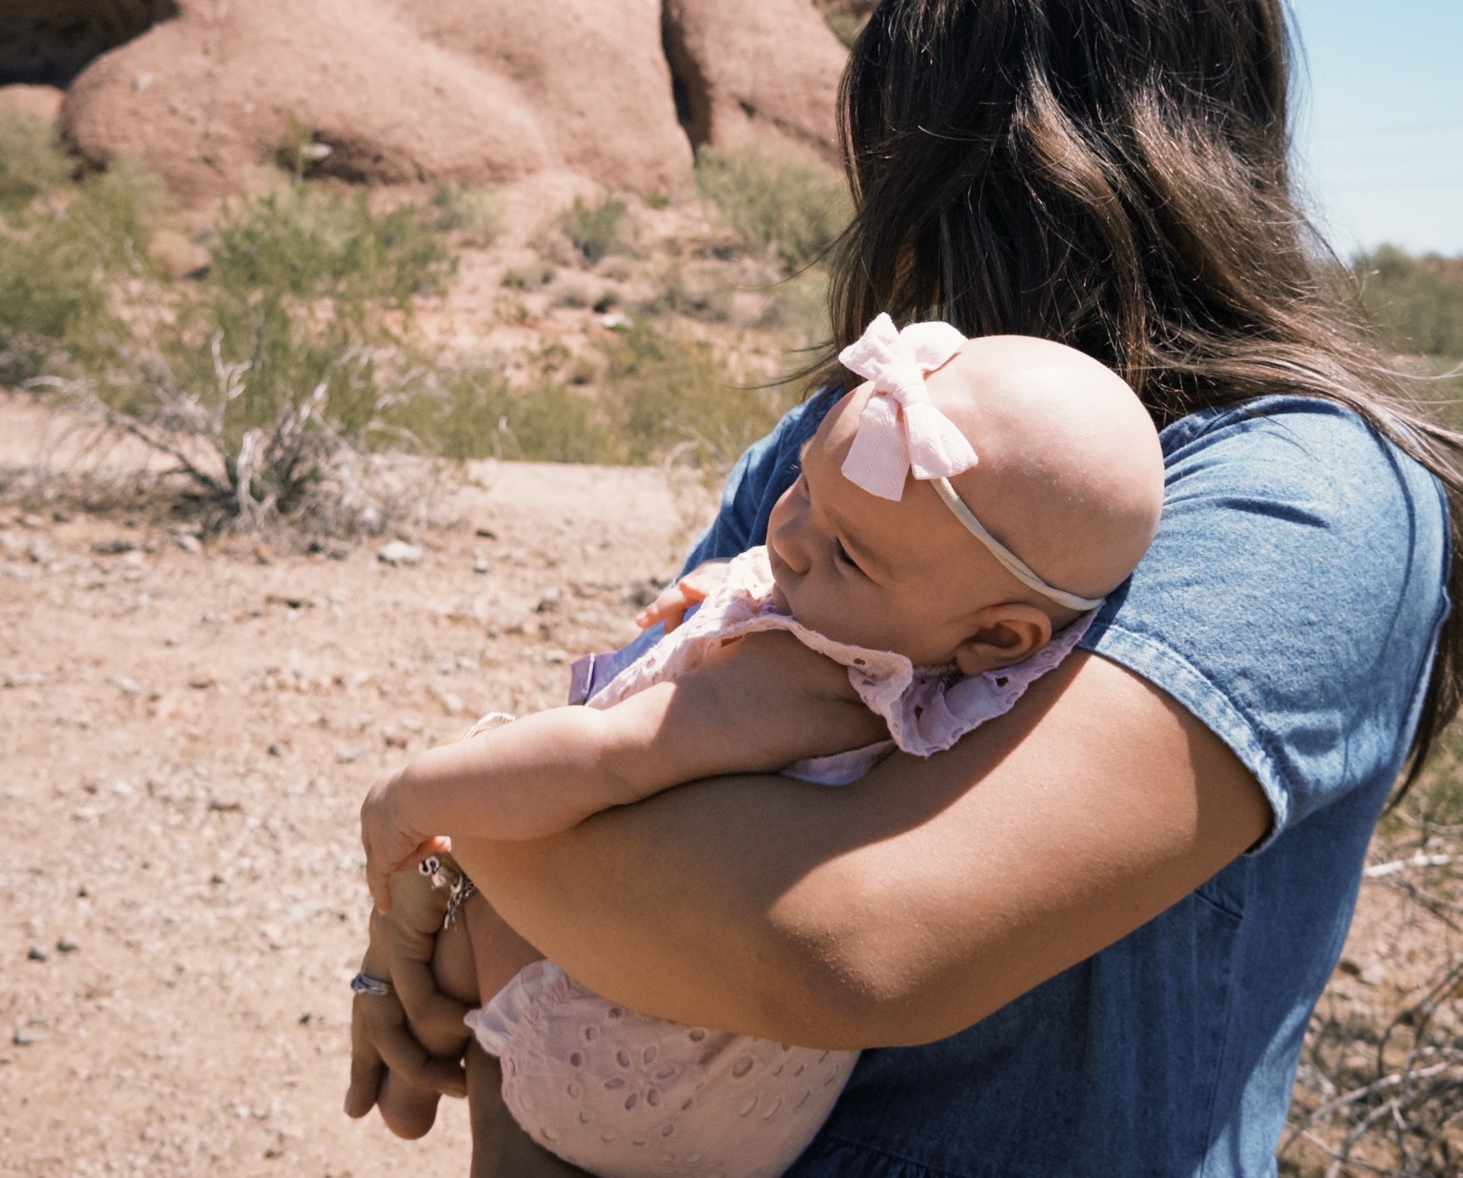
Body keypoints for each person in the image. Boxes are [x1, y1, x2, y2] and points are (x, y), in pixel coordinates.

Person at [346, 0, 1461, 1178]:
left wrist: (456, 836)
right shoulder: (848, 445)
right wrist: (472, 862)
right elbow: (619, 747)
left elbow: (831, 936)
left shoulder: (1305, 497)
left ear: (974, 151)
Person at [358, 322, 1165, 1176]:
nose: (789, 538)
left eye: (847, 555)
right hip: (759, 1106)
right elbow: (828, 548)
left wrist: (407, 797)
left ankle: (421, 1064)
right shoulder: (937, 650)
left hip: (624, 1067)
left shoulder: (789, 682)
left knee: (482, 869)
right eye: (805, 483)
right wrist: (749, 581)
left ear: (1002, 633)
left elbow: (605, 753)